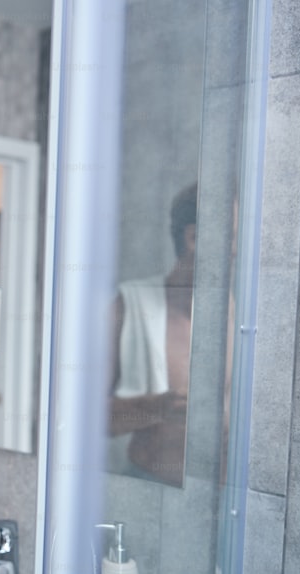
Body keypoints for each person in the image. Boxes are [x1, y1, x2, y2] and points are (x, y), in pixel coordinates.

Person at [108, 183, 197, 486]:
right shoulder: (128, 306)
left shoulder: (246, 319)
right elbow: (84, 418)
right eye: (237, 240)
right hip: (150, 487)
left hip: (224, 506)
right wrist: (156, 407)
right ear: (193, 238)